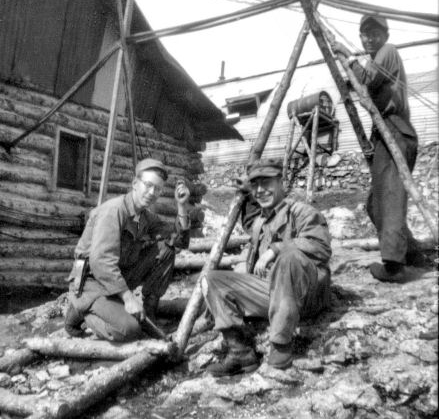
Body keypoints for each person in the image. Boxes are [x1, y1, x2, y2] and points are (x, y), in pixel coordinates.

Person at [202, 158, 331, 376]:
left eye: (267, 183)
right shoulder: (260, 223)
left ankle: (281, 345)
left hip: (307, 296)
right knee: (211, 279)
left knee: (289, 257)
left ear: (282, 182)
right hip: (275, 293)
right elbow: (253, 246)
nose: (260, 190)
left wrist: (277, 249)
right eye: (255, 185)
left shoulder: (302, 212)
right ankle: (241, 354)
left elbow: (321, 247)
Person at [331, 14, 423, 283]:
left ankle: (394, 266)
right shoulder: (374, 59)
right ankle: (412, 253)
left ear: (385, 36)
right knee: (375, 203)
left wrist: (347, 56)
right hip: (383, 134)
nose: (369, 39)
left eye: (375, 34)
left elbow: (369, 80)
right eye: (365, 34)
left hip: (396, 130)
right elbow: (363, 86)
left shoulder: (388, 52)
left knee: (391, 197)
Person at [64, 158, 190, 341]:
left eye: (158, 189)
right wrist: (129, 298)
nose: (152, 192)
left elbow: (179, 241)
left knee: (166, 249)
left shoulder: (146, 217)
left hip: (118, 277)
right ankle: (81, 310)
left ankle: (149, 313)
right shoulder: (113, 211)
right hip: (91, 281)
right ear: (134, 184)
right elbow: (100, 262)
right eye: (148, 185)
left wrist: (182, 206)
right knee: (129, 330)